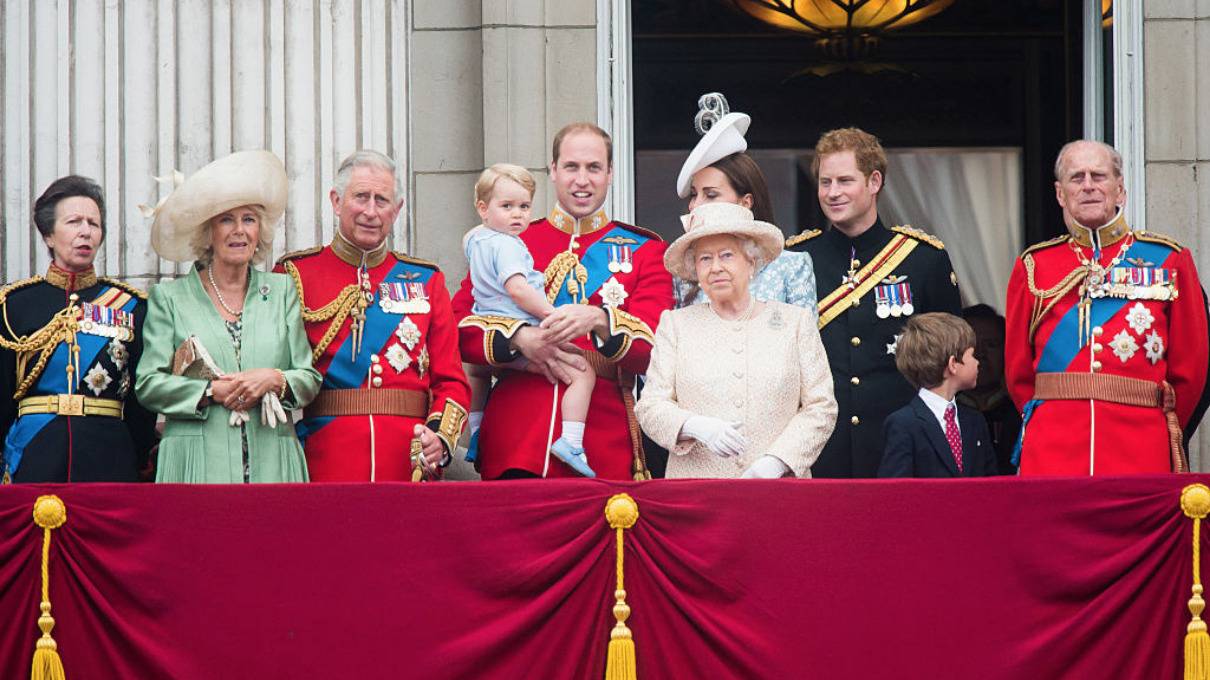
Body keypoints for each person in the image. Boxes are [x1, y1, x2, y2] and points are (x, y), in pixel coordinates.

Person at [453, 122, 674, 480]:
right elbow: (458, 325)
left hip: (602, 445)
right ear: (553, 171)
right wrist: (518, 339)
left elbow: (657, 351)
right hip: (516, 441)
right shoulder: (512, 239)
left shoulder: (646, 251)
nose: (582, 180)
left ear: (610, 174)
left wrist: (600, 319)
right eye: (571, 167)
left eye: (594, 168)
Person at [1005, 140, 1210, 475]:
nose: (1088, 186)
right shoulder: (1034, 265)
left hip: (1140, 447)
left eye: (1098, 176)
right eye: (1076, 178)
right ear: (1060, 194)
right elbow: (1018, 375)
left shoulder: (1170, 260)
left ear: (1120, 190)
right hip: (1052, 450)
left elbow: (1191, 371)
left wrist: (1156, 424)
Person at [275, 150, 470, 482]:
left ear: (397, 210)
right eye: (360, 197)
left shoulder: (426, 279)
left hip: (408, 460)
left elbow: (451, 381)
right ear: (336, 201)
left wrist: (439, 437)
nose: (370, 211)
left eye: (382, 200)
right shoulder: (295, 275)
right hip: (325, 458)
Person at [786, 127, 963, 478]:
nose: (832, 193)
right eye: (825, 182)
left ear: (874, 181)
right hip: (820, 446)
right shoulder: (796, 259)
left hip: (902, 442)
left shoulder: (922, 259)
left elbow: (950, 363)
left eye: (844, 181)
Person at [136, 150, 321, 483]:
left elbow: (307, 379)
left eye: (248, 219)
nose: (239, 230)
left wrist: (274, 379)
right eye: (226, 219)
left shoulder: (281, 292)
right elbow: (149, 385)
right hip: (195, 465)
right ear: (208, 232)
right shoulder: (170, 298)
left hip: (273, 463)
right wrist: (210, 392)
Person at [635, 202, 836, 478]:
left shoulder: (795, 322)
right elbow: (649, 406)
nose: (715, 267)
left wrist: (777, 462)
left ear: (751, 261)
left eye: (727, 255)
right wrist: (693, 425)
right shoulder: (676, 325)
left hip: (780, 493)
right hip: (697, 493)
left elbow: (821, 406)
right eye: (705, 258)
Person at [0, 176, 156, 482]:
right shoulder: (13, 305)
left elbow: (141, 404)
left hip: (110, 457)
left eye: (93, 224)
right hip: (34, 455)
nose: (85, 231)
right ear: (48, 235)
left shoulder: (132, 306)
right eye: (74, 222)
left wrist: (137, 456)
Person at [462, 164, 597, 477]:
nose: (517, 215)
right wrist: (551, 314)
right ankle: (572, 442)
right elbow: (519, 290)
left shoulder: (478, 240)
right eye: (507, 207)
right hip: (519, 327)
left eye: (524, 207)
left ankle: (477, 429)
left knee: (478, 373)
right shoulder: (509, 244)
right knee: (582, 371)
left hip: (491, 330)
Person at [675, 94, 817, 312]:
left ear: (745, 202)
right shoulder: (685, 275)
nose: (696, 205)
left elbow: (806, 342)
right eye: (694, 195)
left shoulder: (791, 267)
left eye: (711, 195)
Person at [878, 312, 995, 478]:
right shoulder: (903, 424)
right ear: (953, 364)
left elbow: (991, 482)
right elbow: (895, 491)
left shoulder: (975, 421)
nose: (978, 362)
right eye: (973, 355)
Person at [958, 304, 1020, 475]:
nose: (980, 354)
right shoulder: (944, 414)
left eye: (991, 345)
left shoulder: (1021, 413)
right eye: (972, 346)